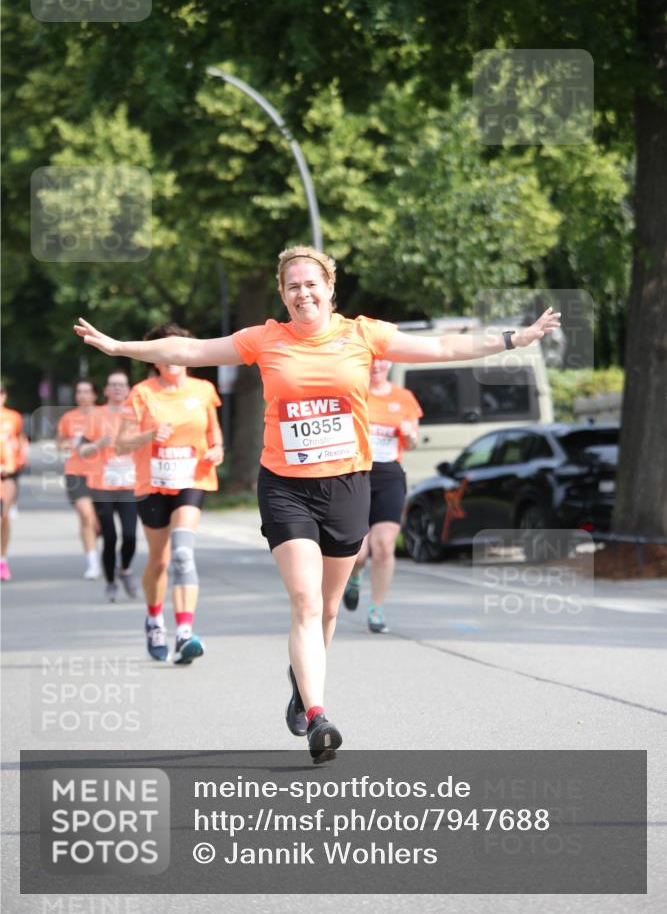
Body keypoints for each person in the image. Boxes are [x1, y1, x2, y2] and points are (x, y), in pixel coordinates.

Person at [74, 245, 560, 763]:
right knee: (305, 603)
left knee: (329, 607)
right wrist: (120, 346)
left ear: (330, 289)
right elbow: (190, 352)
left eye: (311, 284)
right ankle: (317, 717)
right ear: (282, 295)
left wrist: (515, 338)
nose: (302, 293)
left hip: (350, 483)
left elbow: (441, 346)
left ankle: (300, 681)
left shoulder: (362, 334)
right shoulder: (264, 339)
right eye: (292, 287)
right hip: (285, 485)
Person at [114, 324, 223, 665]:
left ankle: (185, 633)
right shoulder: (142, 393)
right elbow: (121, 443)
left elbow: (215, 435)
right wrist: (148, 435)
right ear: (156, 359)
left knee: (182, 554)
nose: (174, 357)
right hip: (153, 484)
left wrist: (217, 451)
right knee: (159, 561)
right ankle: (154, 620)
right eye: (166, 351)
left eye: (180, 349)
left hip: (193, 479)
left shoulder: (204, 390)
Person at [343, 358, 423, 633]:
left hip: (390, 475)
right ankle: (354, 577)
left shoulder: (403, 398)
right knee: (358, 553)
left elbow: (412, 442)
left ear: (389, 364)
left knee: (385, 546)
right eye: (372, 362)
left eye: (382, 362)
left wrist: (409, 434)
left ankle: (376, 608)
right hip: (357, 474)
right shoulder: (356, 391)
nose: (377, 366)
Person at [78, 370, 139, 603]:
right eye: (112, 385)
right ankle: (111, 582)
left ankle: (124, 569)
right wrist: (99, 444)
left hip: (130, 484)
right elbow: (81, 451)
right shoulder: (95, 416)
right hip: (102, 485)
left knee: (131, 535)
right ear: (105, 390)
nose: (117, 389)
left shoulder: (137, 414)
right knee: (110, 536)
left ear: (128, 390)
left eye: (121, 385)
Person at [56, 379, 101, 579]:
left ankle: (104, 549)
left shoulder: (104, 415)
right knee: (85, 515)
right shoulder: (68, 417)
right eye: (79, 392)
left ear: (95, 395)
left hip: (102, 474)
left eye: (87, 391)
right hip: (75, 472)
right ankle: (92, 562)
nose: (83, 395)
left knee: (100, 521)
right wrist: (67, 444)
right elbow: (59, 443)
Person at [0, 382, 29, 581]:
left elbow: (20, 440)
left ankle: (2, 559)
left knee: (3, 516)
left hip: (8, 472)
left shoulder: (13, 417)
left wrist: (20, 459)